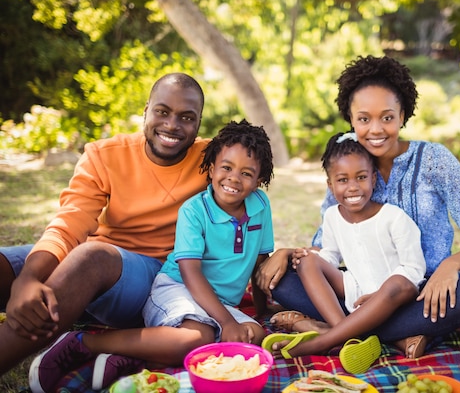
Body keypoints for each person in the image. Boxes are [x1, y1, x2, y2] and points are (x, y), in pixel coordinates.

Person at [256, 55, 460, 359]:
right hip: (361, 290)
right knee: (283, 280)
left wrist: (450, 266)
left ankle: (330, 333)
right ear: (351, 119)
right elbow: (326, 249)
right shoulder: (347, 167)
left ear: (403, 115)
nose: (376, 129)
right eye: (364, 119)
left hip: (420, 291)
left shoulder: (434, 160)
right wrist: (285, 254)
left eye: (387, 117)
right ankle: (391, 336)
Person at [27, 119, 275, 391]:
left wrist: (261, 315)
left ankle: (125, 359)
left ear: (259, 180)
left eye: (247, 174)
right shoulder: (194, 211)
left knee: (256, 339)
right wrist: (227, 321)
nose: (233, 179)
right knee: (196, 338)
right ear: (212, 167)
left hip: (221, 303)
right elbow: (189, 272)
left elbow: (260, 264)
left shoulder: (260, 207)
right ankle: (83, 342)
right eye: (226, 167)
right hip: (178, 287)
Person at [0, 73, 210, 379]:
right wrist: (29, 278)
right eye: (162, 112)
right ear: (146, 111)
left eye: (186, 117)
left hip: (153, 278)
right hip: (90, 266)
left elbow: (251, 165)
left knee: (92, 257)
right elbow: (70, 222)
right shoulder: (104, 154)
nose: (172, 125)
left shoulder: (212, 160)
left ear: (199, 123)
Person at [262, 131, 427, 372]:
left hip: (395, 296)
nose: (352, 187)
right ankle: (348, 333)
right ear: (330, 184)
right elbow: (330, 255)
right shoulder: (332, 217)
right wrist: (308, 258)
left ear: (373, 178)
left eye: (361, 177)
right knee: (306, 264)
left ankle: (323, 339)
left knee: (418, 288)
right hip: (354, 292)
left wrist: (381, 292)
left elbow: (413, 269)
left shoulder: (394, 217)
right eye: (342, 180)